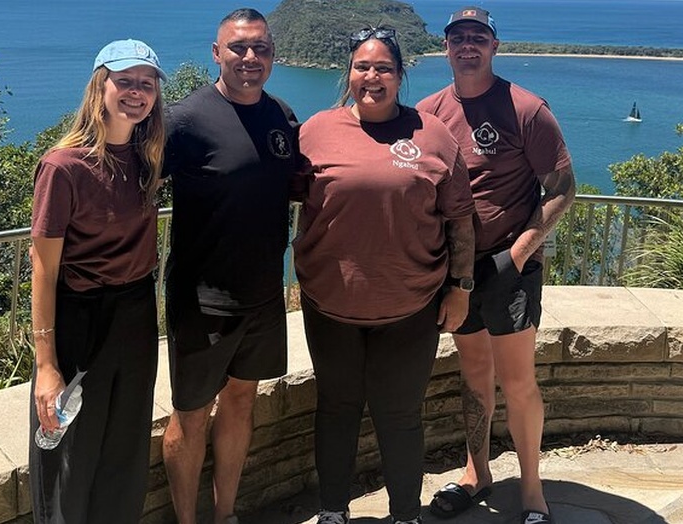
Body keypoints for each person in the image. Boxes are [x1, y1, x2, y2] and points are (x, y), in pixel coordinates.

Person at [293, 27, 476, 524]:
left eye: (383, 68)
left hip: (411, 305)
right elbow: (282, 199)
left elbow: (459, 218)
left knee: (400, 417)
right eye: (361, 66)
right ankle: (333, 511)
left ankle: (404, 515)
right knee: (336, 409)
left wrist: (460, 287)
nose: (371, 77)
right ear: (348, 72)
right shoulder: (314, 131)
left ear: (401, 75)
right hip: (330, 304)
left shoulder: (433, 134)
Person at [416, 7, 576, 524]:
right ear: (446, 47)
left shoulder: (526, 109)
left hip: (510, 265)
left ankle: (533, 494)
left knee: (518, 381)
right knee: (474, 374)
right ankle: (476, 472)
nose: (468, 45)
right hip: (458, 269)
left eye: (477, 37)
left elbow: (562, 189)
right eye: (458, 37)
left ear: (493, 46)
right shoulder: (429, 111)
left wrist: (519, 254)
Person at [159, 8, 299, 524]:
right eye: (238, 48)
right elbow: (132, 186)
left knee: (242, 403)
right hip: (202, 301)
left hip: (264, 295)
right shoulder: (184, 120)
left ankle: (225, 515)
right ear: (216, 53)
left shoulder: (282, 117)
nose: (249, 58)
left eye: (260, 48)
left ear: (272, 56)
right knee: (191, 415)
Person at [28, 39, 166, 523]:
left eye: (146, 84)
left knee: (125, 450)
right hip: (79, 322)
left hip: (136, 316)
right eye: (124, 81)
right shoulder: (63, 166)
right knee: (69, 455)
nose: (136, 92)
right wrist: (46, 365)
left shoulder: (146, 158)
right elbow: (43, 269)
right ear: (99, 87)